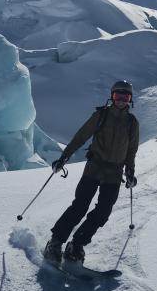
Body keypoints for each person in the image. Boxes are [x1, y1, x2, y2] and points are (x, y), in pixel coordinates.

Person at [43, 80, 140, 264]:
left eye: (124, 97)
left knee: (103, 212)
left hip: (113, 174)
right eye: (117, 96)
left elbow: (131, 151)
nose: (120, 100)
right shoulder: (101, 115)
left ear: (130, 100)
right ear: (111, 97)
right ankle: (55, 242)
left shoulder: (131, 123)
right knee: (80, 206)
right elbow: (80, 137)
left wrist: (130, 172)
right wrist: (64, 157)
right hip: (93, 169)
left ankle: (76, 245)